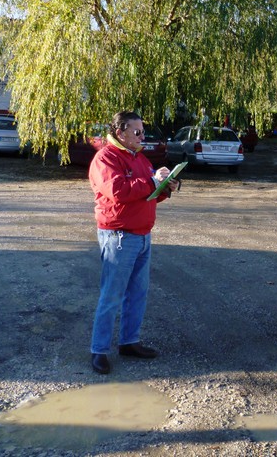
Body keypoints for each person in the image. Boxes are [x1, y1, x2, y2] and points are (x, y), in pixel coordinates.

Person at [88, 111, 179, 375]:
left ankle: (129, 342)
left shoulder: (139, 157)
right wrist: (152, 180)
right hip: (118, 236)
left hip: (141, 234)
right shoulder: (105, 158)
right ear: (121, 133)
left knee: (137, 293)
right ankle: (99, 350)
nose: (143, 136)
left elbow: (147, 194)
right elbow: (117, 192)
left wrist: (165, 187)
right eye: (137, 132)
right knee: (112, 295)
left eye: (143, 131)